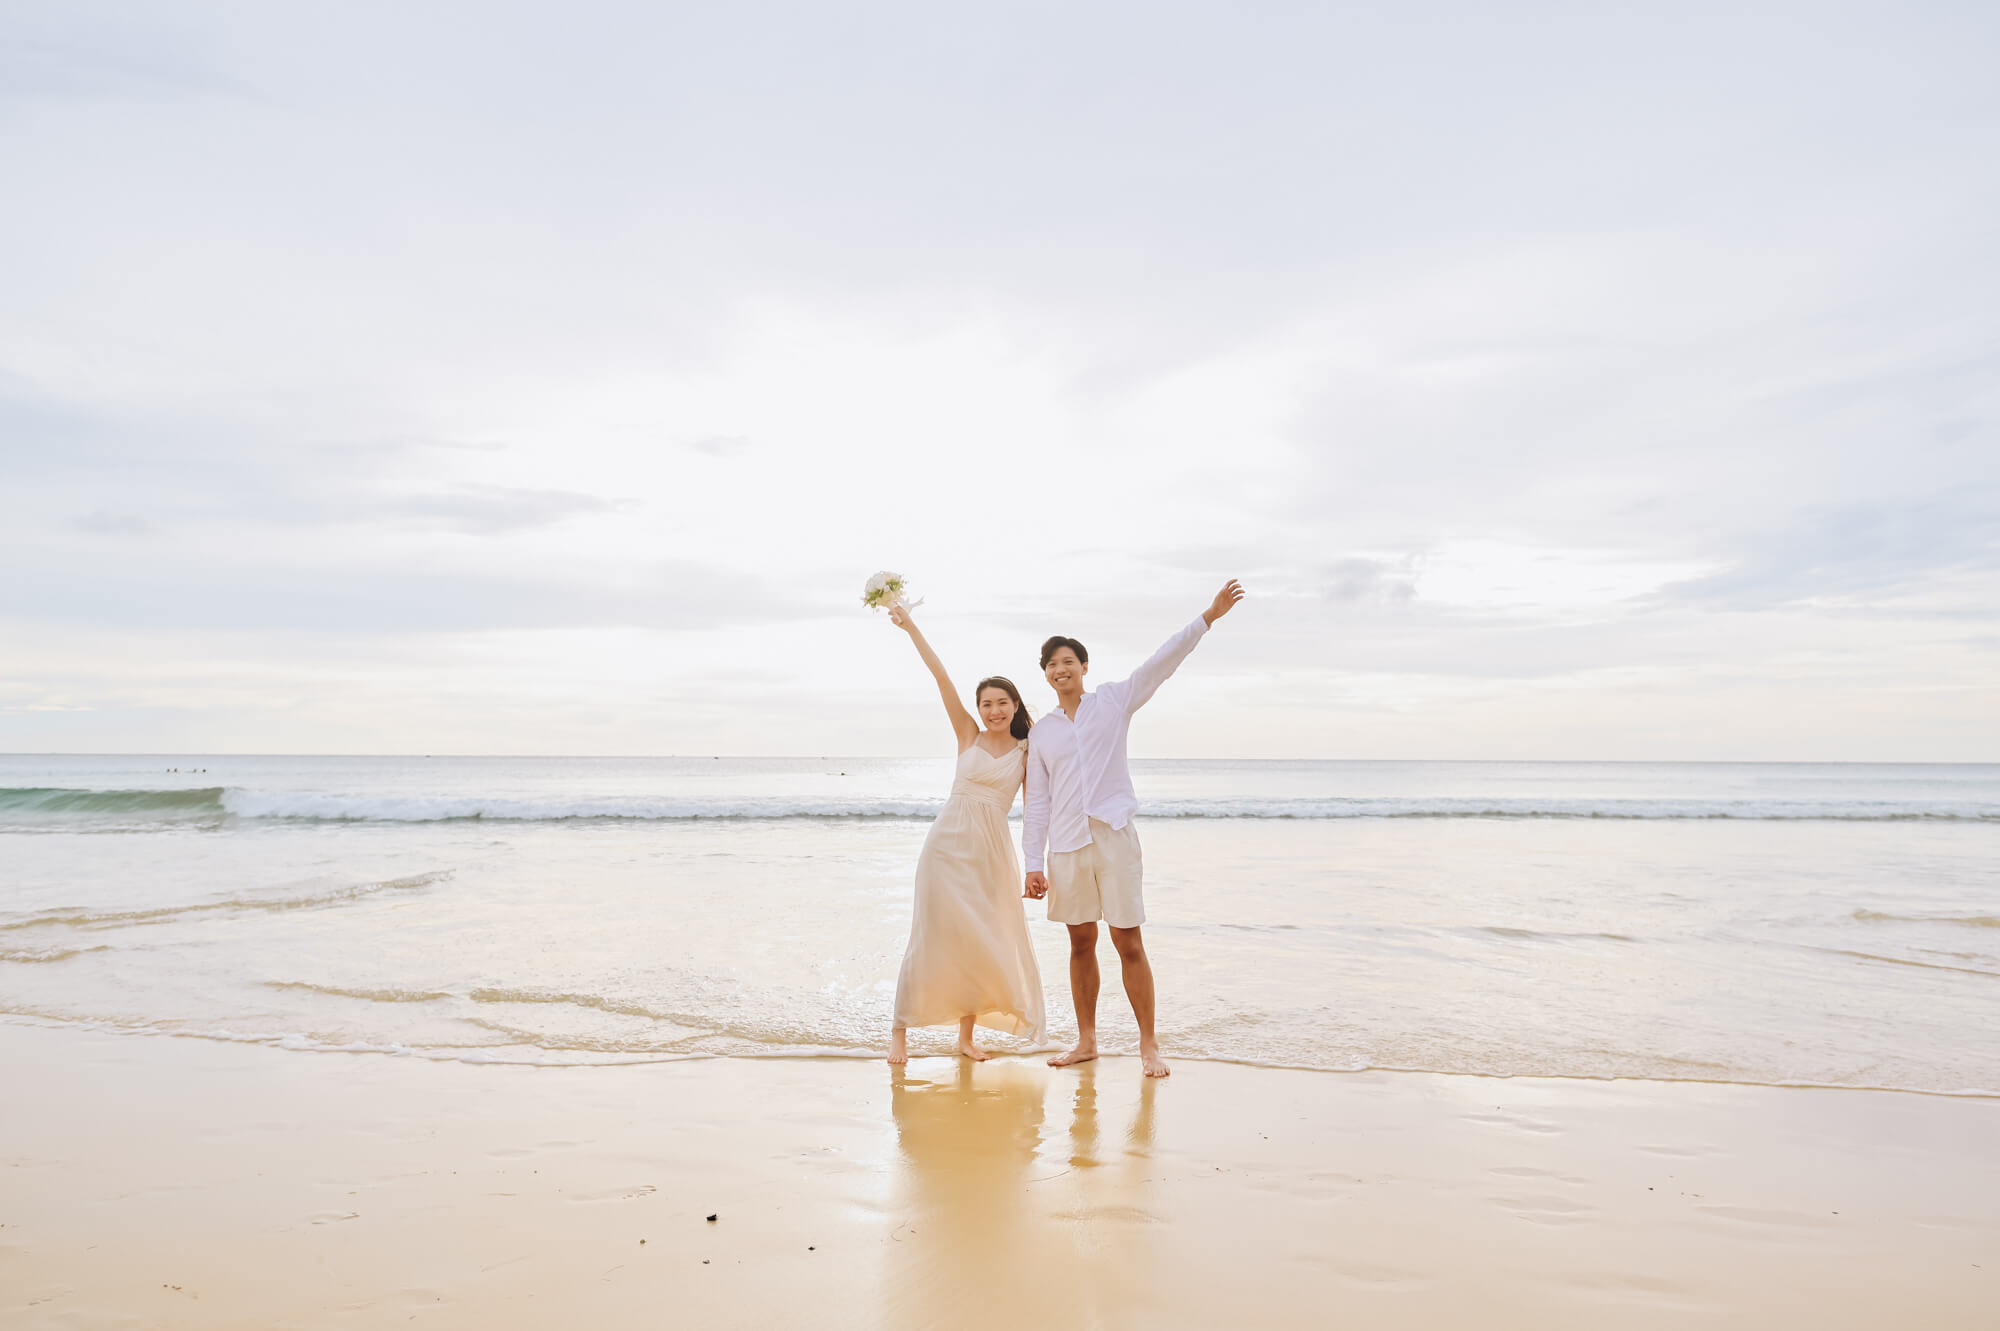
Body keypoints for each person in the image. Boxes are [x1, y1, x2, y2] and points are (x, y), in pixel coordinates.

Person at [1023, 579, 1245, 1077]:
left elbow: (1162, 662)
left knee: (1128, 941)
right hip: (1067, 845)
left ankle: (1149, 1044)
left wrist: (1207, 618)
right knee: (1080, 943)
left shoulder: (1115, 701)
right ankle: (1086, 1041)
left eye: (1068, 662)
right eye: (1052, 665)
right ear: (1046, 676)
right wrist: (1032, 864)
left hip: (1114, 836)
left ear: (1083, 667)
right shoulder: (1043, 732)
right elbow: (1036, 800)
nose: (1061, 670)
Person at [884, 602, 1047, 1064]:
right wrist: (910, 625)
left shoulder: (1027, 751)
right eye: (986, 703)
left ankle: (966, 1037)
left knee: (980, 939)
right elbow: (941, 677)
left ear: (1015, 706)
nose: (994, 710)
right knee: (930, 934)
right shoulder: (967, 735)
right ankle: (899, 1030)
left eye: (1002, 703)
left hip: (991, 852)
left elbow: (1036, 810)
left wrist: (1039, 863)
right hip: (946, 845)